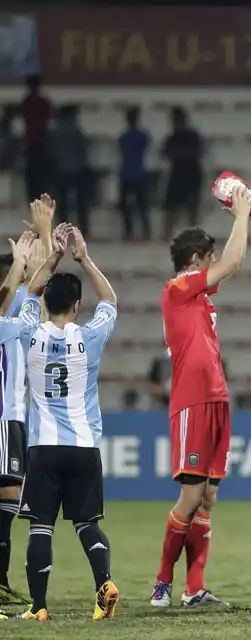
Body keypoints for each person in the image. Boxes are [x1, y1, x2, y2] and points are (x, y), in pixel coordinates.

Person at [150, 185, 251, 609]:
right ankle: (161, 582)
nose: (212, 265)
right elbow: (233, 262)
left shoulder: (197, 294)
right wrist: (242, 216)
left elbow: (226, 264)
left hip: (215, 398)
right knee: (191, 496)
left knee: (208, 496)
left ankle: (195, 589)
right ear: (195, 262)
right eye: (206, 258)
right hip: (192, 400)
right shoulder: (177, 288)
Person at [17, 223, 120, 621]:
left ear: (46, 302)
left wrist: (54, 256)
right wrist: (84, 258)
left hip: (43, 447)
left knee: (41, 527)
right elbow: (110, 300)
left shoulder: (30, 331)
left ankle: (39, 607)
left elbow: (29, 291)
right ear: (77, 306)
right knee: (86, 523)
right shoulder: (89, 337)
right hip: (84, 446)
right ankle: (104, 584)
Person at [0, 197, 54, 609]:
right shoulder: (4, 310)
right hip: (5, 416)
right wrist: (22, 262)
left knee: (12, 494)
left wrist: (38, 251)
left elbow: (41, 282)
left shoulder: (17, 306)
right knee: (9, 492)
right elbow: (13, 291)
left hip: (17, 417)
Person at [161, 107, 203, 240]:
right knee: (170, 206)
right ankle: (168, 233)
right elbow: (165, 153)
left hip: (191, 174)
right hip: (178, 174)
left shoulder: (192, 136)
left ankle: (195, 236)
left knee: (192, 207)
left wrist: (179, 154)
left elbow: (197, 152)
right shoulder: (172, 137)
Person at [48, 105, 90, 236]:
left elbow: (52, 151)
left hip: (61, 168)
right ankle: (84, 227)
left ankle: (62, 227)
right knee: (80, 201)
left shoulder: (56, 131)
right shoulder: (75, 129)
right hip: (77, 168)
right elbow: (82, 148)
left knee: (62, 201)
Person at [118, 107, 152, 241]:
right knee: (131, 206)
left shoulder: (127, 137)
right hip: (132, 173)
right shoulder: (140, 136)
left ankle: (140, 231)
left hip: (133, 173)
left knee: (140, 206)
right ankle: (132, 231)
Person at [21, 75, 53, 202]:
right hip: (42, 142)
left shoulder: (26, 101)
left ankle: (32, 197)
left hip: (31, 143)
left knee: (32, 174)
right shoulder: (43, 102)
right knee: (42, 174)